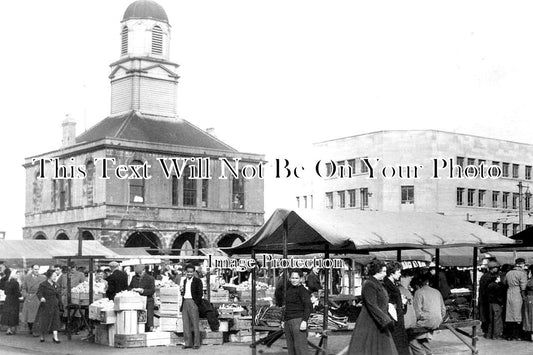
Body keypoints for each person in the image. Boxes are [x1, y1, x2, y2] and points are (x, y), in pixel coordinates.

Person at [348, 259, 398, 355]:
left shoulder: (377, 283)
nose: (385, 274)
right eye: (383, 271)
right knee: (369, 350)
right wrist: (386, 320)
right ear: (376, 271)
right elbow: (372, 305)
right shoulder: (369, 284)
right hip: (370, 322)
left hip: (378, 322)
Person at [409, 273, 446, 355]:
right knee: (421, 336)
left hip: (427, 321)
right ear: (428, 282)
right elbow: (443, 310)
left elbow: (417, 313)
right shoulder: (437, 291)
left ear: (417, 284)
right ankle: (429, 353)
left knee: (409, 335)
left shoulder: (418, 292)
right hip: (438, 321)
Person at [282, 269, 312, 355]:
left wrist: (304, 321)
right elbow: (287, 306)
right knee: (291, 349)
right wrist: (284, 320)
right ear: (290, 278)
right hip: (288, 321)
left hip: (298, 321)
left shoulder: (303, 291)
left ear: (301, 279)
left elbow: (308, 306)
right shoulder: (289, 289)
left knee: (300, 349)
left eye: (296, 278)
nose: (294, 280)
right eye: (292, 278)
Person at [383, 262, 410, 355]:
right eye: (398, 272)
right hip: (395, 321)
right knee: (398, 347)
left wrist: (401, 302)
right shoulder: (388, 286)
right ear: (391, 273)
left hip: (397, 319)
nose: (400, 274)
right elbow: (388, 304)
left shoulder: (390, 284)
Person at [503, 258, 527, 341]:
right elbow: (523, 287)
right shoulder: (522, 273)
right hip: (518, 293)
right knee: (518, 315)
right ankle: (517, 335)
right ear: (521, 264)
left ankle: (509, 335)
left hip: (509, 293)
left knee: (509, 315)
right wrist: (524, 297)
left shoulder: (508, 273)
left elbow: (504, 282)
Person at [180, 264, 203, 349]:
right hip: (185, 301)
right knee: (185, 323)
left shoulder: (198, 281)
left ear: (194, 272)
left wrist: (196, 303)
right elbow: (184, 292)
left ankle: (196, 343)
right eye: (188, 272)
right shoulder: (185, 281)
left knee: (195, 323)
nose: (189, 273)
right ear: (185, 272)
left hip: (193, 302)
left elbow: (200, 294)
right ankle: (187, 343)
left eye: (191, 272)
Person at [36, 269, 62, 343]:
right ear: (49, 276)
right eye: (53, 276)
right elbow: (39, 293)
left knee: (55, 321)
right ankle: (42, 336)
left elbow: (58, 295)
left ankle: (55, 337)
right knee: (44, 321)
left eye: (56, 276)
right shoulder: (43, 284)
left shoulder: (56, 285)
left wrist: (59, 303)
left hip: (54, 305)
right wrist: (41, 298)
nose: (55, 277)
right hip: (46, 304)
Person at [21, 264, 46, 336]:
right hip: (30, 297)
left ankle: (36, 330)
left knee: (37, 315)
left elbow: (45, 288)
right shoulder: (27, 278)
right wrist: (26, 295)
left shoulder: (43, 278)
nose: (37, 271)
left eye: (38, 269)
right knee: (29, 315)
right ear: (32, 269)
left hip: (38, 297)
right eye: (35, 269)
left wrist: (43, 296)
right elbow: (23, 288)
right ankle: (30, 329)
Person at [129, 265, 155, 332]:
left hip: (148, 301)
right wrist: (132, 290)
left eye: (140, 273)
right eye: (138, 273)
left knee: (148, 318)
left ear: (144, 271)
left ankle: (148, 330)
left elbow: (152, 291)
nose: (139, 275)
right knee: (138, 320)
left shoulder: (150, 278)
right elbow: (129, 287)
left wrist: (142, 290)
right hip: (137, 301)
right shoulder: (134, 278)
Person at [479, 259, 499, 337]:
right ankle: (487, 331)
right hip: (486, 300)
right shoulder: (488, 277)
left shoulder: (484, 276)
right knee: (487, 316)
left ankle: (487, 331)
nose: (497, 269)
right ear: (493, 268)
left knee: (486, 316)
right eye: (496, 268)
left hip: (484, 299)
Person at [1, 268, 22, 335]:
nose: (18, 275)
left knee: (8, 314)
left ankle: (9, 329)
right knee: (14, 314)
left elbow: (5, 292)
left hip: (8, 299)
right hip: (14, 300)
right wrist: (21, 295)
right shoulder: (16, 283)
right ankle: (13, 329)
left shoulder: (7, 282)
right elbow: (17, 293)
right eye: (17, 274)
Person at [486, 272, 505, 339]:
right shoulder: (497, 286)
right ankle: (496, 335)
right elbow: (498, 296)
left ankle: (489, 334)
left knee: (491, 320)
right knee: (497, 320)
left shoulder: (489, 285)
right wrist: (501, 303)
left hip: (490, 303)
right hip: (496, 304)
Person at [522, 264, 533, 341]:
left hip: (529, 299)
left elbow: (524, 290)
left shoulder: (529, 281)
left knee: (529, 316)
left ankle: (531, 333)